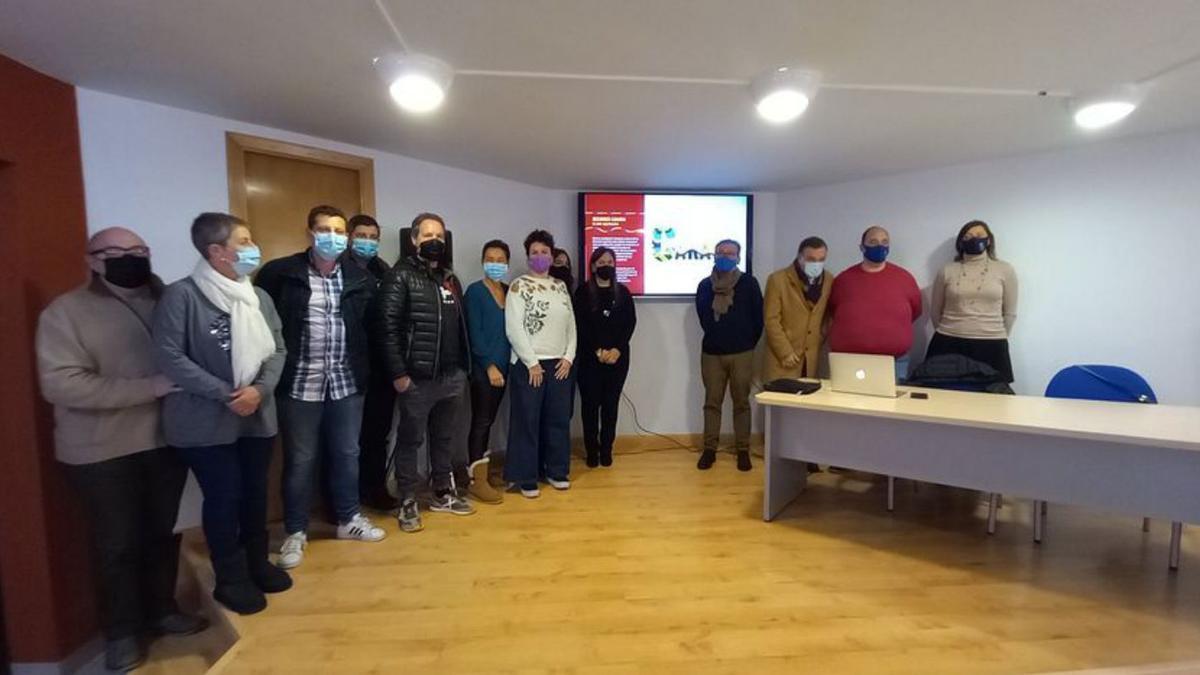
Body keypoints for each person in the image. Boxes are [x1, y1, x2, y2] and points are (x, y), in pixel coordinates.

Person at [36, 227, 208, 671]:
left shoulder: (170, 300)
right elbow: (61, 383)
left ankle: (163, 610)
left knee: (163, 532)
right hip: (101, 451)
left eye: (140, 251)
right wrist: (147, 388)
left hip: (166, 440)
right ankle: (122, 632)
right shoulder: (66, 312)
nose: (131, 258)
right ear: (93, 260)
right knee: (117, 544)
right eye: (117, 252)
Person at [153, 212, 292, 616]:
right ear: (217, 251)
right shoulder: (183, 296)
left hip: (256, 415)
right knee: (223, 497)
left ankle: (256, 563)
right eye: (244, 241)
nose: (253, 248)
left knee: (254, 494)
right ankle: (230, 578)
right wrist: (228, 393)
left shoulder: (258, 297)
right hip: (204, 420)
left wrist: (260, 390)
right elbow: (170, 356)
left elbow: (278, 348)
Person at [254, 205, 386, 571]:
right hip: (299, 384)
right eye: (325, 229)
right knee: (300, 460)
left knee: (347, 453)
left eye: (339, 230)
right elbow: (261, 324)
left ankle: (348, 519)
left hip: (346, 381)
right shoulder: (281, 273)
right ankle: (295, 531)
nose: (333, 236)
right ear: (310, 233)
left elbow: (369, 329)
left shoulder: (358, 277)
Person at [378, 212, 475, 532]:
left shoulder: (450, 278)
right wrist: (398, 373)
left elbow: (460, 327)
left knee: (444, 438)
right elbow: (387, 328)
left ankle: (441, 492)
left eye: (440, 237)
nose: (435, 241)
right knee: (410, 440)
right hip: (416, 379)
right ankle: (407, 499)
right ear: (414, 239)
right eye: (428, 235)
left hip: (451, 377)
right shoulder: (400, 276)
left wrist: (463, 368)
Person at [505, 230, 577, 498]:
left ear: (552, 255)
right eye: (534, 252)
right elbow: (514, 328)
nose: (540, 256)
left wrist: (568, 357)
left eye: (544, 252)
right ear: (527, 257)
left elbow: (571, 325)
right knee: (527, 420)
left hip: (560, 365)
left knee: (558, 419)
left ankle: (557, 471)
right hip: (528, 365)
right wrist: (532, 362)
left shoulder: (560, 286)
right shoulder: (518, 286)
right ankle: (526, 476)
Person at [695, 239, 763, 472]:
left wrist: (745, 342)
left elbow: (758, 319)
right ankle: (709, 450)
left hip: (742, 352)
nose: (725, 256)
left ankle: (743, 450)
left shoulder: (749, 283)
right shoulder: (705, 285)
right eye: (720, 252)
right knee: (711, 403)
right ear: (713, 256)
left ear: (738, 257)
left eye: (730, 253)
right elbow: (703, 318)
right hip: (712, 353)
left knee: (742, 403)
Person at [346, 213, 398, 510]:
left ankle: (375, 489)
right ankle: (343, 500)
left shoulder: (384, 271)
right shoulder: (337, 270)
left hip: (382, 367)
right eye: (361, 235)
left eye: (373, 237)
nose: (367, 242)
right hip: (349, 367)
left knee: (378, 434)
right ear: (350, 236)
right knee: (345, 441)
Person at [927, 220, 1019, 382]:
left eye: (979, 235)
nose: (973, 239)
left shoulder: (1005, 270)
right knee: (943, 399)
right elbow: (935, 311)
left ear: (989, 240)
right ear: (961, 242)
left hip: (991, 345)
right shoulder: (947, 270)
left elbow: (1010, 313)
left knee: (990, 401)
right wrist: (953, 330)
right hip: (948, 342)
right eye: (968, 236)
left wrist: (995, 333)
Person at [827, 226, 922, 381]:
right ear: (862, 247)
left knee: (891, 405)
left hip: (894, 362)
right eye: (873, 241)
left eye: (884, 242)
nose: (880, 246)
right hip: (847, 362)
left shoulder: (904, 278)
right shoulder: (843, 280)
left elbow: (916, 311)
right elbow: (833, 311)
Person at [573, 247, 637, 468]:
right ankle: (591, 451)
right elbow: (579, 326)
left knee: (611, 406)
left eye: (610, 261)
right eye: (601, 262)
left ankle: (606, 449)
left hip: (618, 359)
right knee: (590, 407)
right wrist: (597, 350)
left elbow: (630, 323)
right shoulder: (582, 293)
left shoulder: (623, 293)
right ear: (592, 266)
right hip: (590, 360)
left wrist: (617, 349)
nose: (606, 265)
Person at [463, 239, 512, 504]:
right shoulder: (475, 292)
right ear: (483, 261)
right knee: (481, 421)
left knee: (490, 421)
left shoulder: (508, 290)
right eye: (490, 259)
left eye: (500, 260)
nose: (495, 264)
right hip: (485, 370)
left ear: (507, 263)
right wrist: (489, 366)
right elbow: (474, 333)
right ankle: (475, 481)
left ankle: (484, 469)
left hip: (505, 368)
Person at [763, 236, 833, 382]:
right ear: (800, 257)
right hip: (783, 359)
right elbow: (771, 320)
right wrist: (785, 352)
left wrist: (817, 339)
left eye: (821, 259)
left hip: (811, 359)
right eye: (811, 259)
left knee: (806, 402)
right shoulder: (778, 279)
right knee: (780, 403)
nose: (816, 264)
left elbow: (827, 317)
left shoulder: (829, 280)